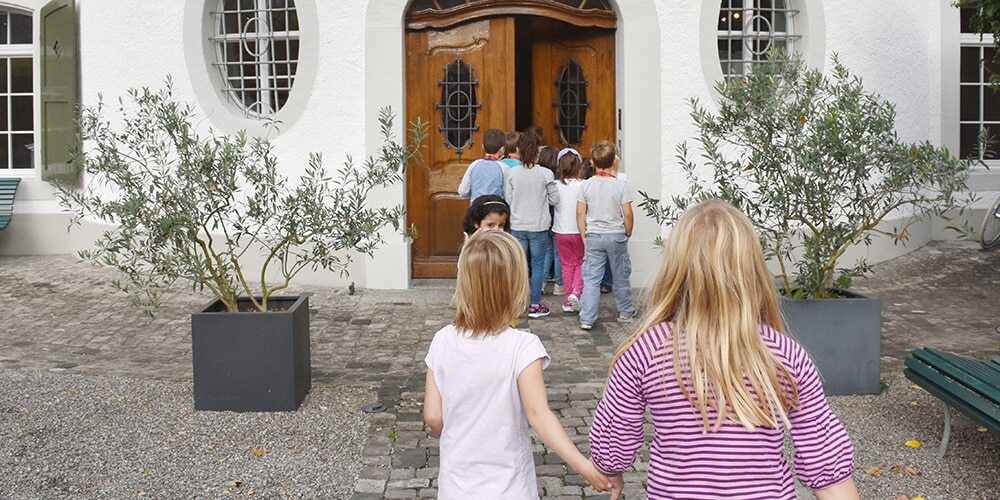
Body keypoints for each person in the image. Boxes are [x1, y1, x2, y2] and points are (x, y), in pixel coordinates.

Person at [588, 200, 860, 500]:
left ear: (676, 268)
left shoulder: (644, 351)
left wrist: (611, 471)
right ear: (752, 270)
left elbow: (612, 444)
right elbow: (827, 464)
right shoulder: (785, 355)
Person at [422, 230, 613, 498]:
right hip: (509, 486)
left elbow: (433, 415)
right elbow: (539, 415)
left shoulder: (442, 340)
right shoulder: (522, 346)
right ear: (515, 284)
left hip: (456, 485)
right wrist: (584, 467)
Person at [576, 140, 635, 330]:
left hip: (594, 234)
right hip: (616, 233)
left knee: (592, 278)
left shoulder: (585, 186)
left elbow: (580, 213)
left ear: (592, 161)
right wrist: (628, 230)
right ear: (613, 161)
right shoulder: (620, 186)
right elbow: (627, 212)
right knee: (620, 275)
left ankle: (587, 317)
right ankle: (625, 311)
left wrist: (583, 234)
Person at [505, 128, 559, 318]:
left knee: (519, 265)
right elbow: (554, 200)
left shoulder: (512, 174)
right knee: (537, 264)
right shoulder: (545, 174)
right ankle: (535, 304)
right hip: (538, 225)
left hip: (518, 224)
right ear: (537, 151)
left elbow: (508, 200)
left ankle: (516, 304)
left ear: (519, 150)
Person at [552, 148, 586, 313]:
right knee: (580, 262)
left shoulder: (556, 185)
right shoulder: (583, 185)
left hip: (561, 231)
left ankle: (567, 299)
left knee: (566, 264)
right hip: (579, 230)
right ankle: (576, 292)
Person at [538, 145, 564, 296]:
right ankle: (559, 284)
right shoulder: (558, 181)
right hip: (557, 218)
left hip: (543, 217)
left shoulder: (539, 176)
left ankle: (541, 282)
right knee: (557, 251)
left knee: (546, 251)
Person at [457, 128, 507, 202]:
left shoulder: (474, 165)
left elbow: (463, 192)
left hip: (476, 209)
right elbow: (508, 194)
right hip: (495, 209)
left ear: (482, 147)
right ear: (502, 149)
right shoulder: (504, 168)